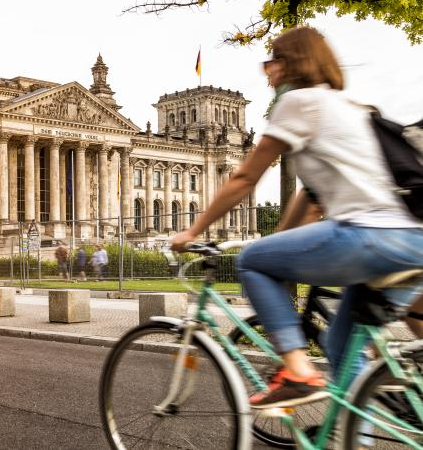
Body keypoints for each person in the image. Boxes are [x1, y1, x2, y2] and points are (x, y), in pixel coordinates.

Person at [170, 27, 423, 410]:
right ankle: (355, 435)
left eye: (272, 59)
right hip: (412, 240)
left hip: (367, 236)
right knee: (342, 348)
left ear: (292, 64)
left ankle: (297, 371)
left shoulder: (297, 102)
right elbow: (312, 193)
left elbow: (243, 178)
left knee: (252, 260)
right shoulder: (354, 108)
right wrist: (285, 241)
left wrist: (193, 230)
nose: (266, 69)